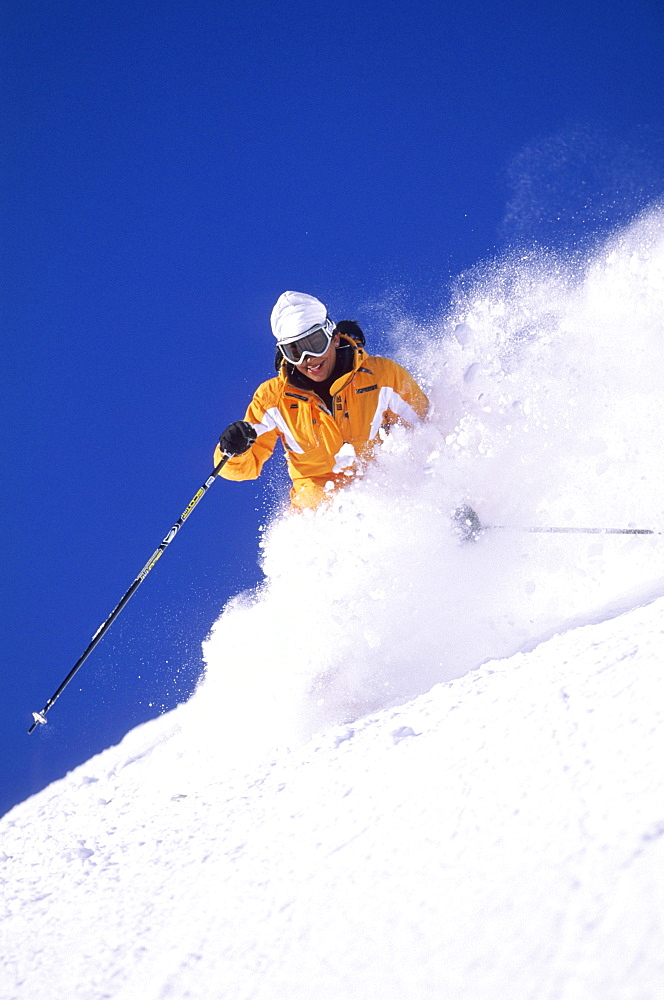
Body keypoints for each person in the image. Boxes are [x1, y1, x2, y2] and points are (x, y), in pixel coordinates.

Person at [215, 291, 430, 509]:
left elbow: (427, 429)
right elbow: (243, 468)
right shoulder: (273, 399)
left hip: (382, 496)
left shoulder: (382, 376)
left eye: (315, 343)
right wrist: (232, 450)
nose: (308, 358)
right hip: (318, 517)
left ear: (334, 337)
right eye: (295, 351)